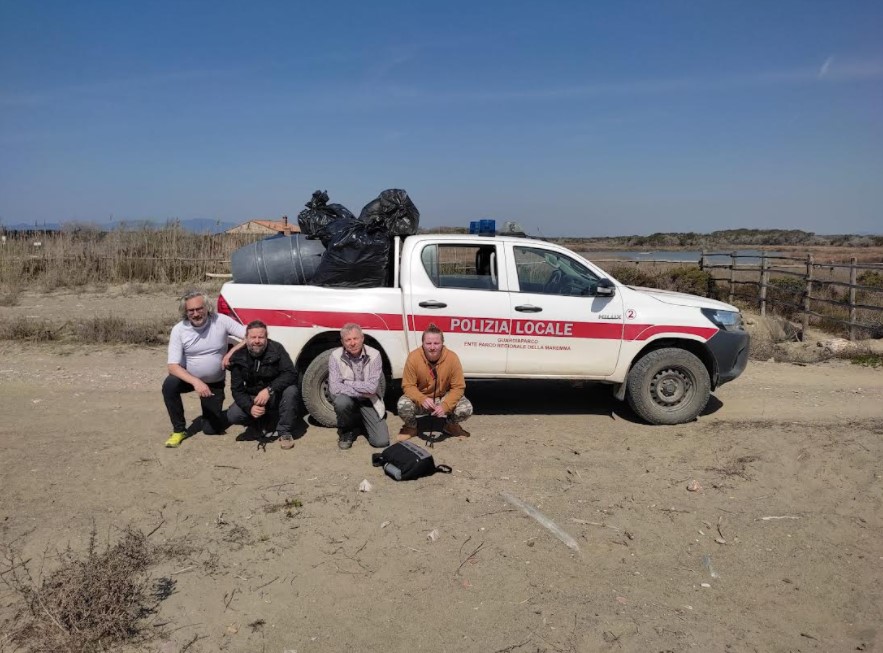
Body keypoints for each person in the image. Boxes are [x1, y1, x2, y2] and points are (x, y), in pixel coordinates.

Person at [163, 290, 246, 448]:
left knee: (210, 429)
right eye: (191, 311)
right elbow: (172, 366)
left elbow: (249, 335)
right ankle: (179, 430)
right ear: (185, 312)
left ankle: (229, 412)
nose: (195, 314)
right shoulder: (179, 329)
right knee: (169, 385)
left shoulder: (221, 321)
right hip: (189, 379)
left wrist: (231, 352)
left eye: (199, 309)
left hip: (214, 382)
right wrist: (196, 382)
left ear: (207, 307)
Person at [226, 320, 300, 449]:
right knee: (233, 415)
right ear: (246, 338)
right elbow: (237, 390)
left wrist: (269, 390)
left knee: (291, 390)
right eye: (253, 337)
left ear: (266, 337)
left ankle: (284, 431)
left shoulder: (277, 349)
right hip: (253, 397)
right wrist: (250, 407)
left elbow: (291, 373)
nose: (257, 341)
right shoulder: (238, 357)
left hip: (274, 394)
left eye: (261, 337)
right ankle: (258, 424)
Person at [397, 323, 472, 441]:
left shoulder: (452, 358)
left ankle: (450, 425)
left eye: (436, 343)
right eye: (428, 343)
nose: (432, 347)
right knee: (403, 405)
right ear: (423, 343)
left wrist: (445, 405)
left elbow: (458, 387)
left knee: (466, 408)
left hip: (442, 397)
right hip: (422, 399)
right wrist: (421, 398)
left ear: (442, 343)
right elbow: (408, 385)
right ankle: (411, 427)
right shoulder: (413, 357)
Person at [328, 323, 390, 450]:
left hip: (369, 400)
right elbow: (334, 388)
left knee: (381, 442)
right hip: (349, 398)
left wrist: (347, 383)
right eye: (348, 340)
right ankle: (346, 431)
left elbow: (372, 388)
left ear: (362, 338)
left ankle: (362, 421)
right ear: (342, 342)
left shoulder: (375, 355)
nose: (352, 343)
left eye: (355, 338)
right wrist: (362, 390)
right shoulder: (335, 356)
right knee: (341, 402)